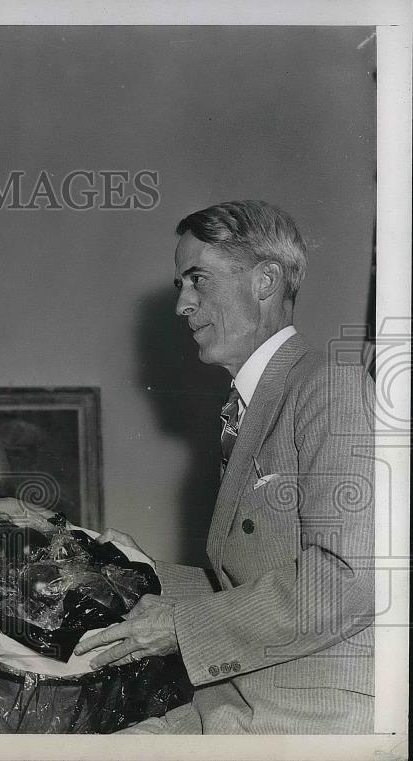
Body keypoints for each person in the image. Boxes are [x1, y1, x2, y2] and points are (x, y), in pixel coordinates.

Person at [74, 200, 374, 733]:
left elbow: (346, 582)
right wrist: (134, 572)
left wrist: (182, 628)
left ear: (265, 281)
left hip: (312, 717)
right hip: (239, 703)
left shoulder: (331, 390)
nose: (181, 305)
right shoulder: (251, 406)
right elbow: (250, 583)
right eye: (179, 286)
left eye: (198, 280)